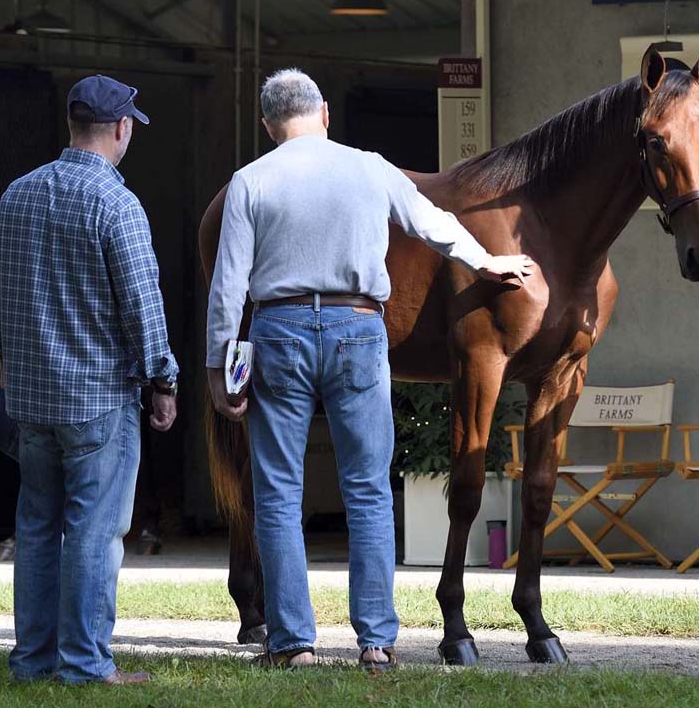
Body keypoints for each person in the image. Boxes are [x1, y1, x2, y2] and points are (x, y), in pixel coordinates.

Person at [207, 68, 534, 670]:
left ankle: (292, 644)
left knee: (278, 491)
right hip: (359, 328)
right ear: (325, 113)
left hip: (278, 330)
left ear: (267, 125)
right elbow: (434, 225)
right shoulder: (370, 167)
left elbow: (228, 287)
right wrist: (488, 262)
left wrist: (218, 366)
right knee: (368, 489)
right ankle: (376, 642)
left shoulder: (249, 181)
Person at [0, 75, 179, 686]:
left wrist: (6, 358)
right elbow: (142, 307)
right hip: (97, 399)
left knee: (37, 527)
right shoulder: (116, 204)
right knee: (95, 530)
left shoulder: (17, 194)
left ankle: (32, 662)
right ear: (121, 129)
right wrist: (162, 380)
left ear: (72, 125)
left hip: (31, 399)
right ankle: (86, 665)